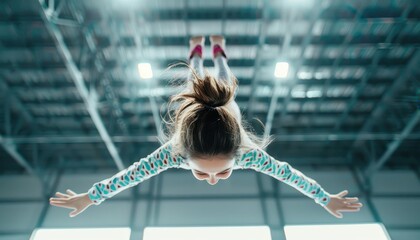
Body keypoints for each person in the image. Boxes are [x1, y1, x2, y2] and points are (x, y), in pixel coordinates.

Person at [49, 35, 363, 218]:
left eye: (210, 172)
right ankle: (200, 50)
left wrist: (325, 198)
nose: (212, 180)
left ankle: (217, 50)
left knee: (211, 75)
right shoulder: (178, 153)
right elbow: (129, 176)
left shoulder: (239, 154)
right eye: (209, 172)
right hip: (224, 101)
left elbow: (289, 174)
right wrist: (88, 197)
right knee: (199, 74)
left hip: (216, 102)